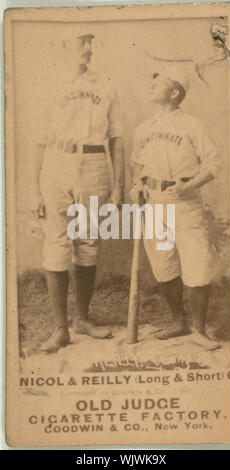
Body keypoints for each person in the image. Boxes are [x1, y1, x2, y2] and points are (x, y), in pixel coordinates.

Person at [32, 32, 124, 352]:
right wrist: (34, 189)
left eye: (90, 43)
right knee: (57, 243)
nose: (87, 49)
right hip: (57, 163)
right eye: (79, 42)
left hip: (95, 164)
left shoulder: (105, 85)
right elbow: (40, 140)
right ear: (62, 46)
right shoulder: (49, 85)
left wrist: (119, 184)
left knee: (87, 243)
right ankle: (61, 330)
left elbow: (116, 138)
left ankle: (82, 319)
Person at [130, 66, 221, 350]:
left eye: (159, 83)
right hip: (154, 202)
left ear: (173, 93)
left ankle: (200, 331)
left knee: (197, 265)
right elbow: (137, 165)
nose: (151, 86)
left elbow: (213, 164)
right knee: (163, 265)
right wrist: (137, 185)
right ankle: (178, 322)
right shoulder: (144, 128)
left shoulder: (192, 124)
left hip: (184, 201)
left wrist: (190, 185)